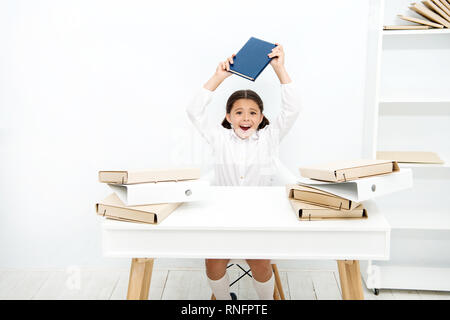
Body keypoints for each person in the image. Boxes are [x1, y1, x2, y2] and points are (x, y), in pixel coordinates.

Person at [186, 43, 301, 300]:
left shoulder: (269, 138)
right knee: (213, 265)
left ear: (261, 118)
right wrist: (219, 76)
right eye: (239, 112)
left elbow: (292, 109)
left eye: (252, 113)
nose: (245, 118)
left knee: (260, 264)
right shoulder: (219, 138)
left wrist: (279, 69)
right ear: (228, 117)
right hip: (222, 216)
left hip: (258, 216)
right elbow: (194, 110)